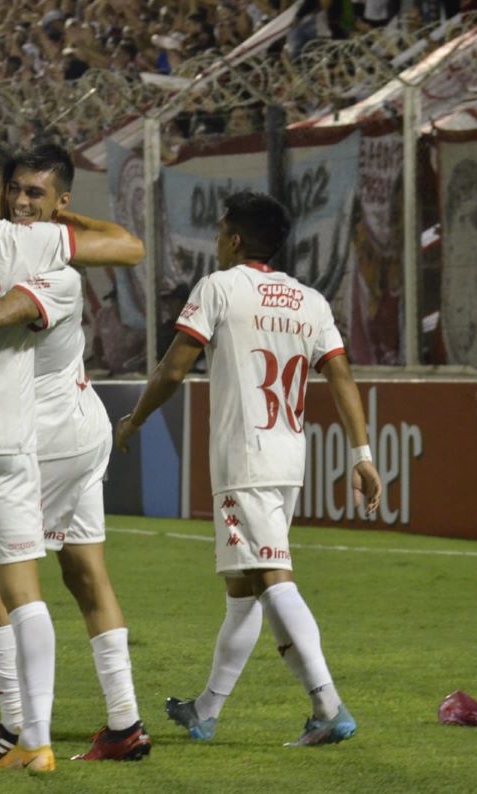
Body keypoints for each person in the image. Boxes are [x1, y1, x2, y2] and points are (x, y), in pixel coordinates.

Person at [115, 190, 383, 747]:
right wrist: (363, 456)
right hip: (288, 458)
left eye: (219, 232)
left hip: (245, 459)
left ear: (235, 240)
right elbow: (341, 379)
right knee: (242, 589)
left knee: (271, 578)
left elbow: (173, 369)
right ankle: (205, 711)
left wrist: (134, 420)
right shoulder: (311, 301)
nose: (216, 241)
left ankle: (329, 705)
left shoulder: (219, 288)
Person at [0, 143, 152, 762]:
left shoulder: (49, 264)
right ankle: (125, 724)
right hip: (80, 422)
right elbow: (128, 245)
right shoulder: (28, 245)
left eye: (36, 196)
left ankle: (16, 726)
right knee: (84, 571)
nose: (21, 203)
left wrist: (55, 228)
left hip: (43, 436)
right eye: (15, 190)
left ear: (62, 204)